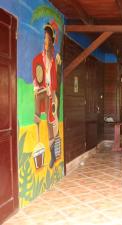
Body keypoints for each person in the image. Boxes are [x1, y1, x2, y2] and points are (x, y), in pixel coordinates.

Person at [32, 21, 61, 168]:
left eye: (47, 39)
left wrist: (53, 94)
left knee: (51, 123)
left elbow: (54, 81)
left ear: (51, 42)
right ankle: (37, 121)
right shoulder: (39, 59)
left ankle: (53, 155)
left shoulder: (52, 61)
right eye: (44, 38)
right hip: (42, 91)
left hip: (51, 94)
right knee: (37, 111)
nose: (45, 41)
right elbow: (37, 77)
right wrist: (38, 87)